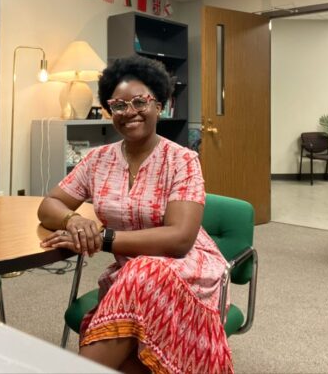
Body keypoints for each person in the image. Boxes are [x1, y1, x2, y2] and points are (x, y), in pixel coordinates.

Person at [38, 55, 233, 374]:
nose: (129, 112)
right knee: (132, 348)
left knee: (144, 273)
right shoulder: (97, 159)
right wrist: (74, 220)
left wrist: (102, 239)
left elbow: (180, 240)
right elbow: (49, 205)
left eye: (140, 101)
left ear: (160, 105)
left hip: (187, 270)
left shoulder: (182, 160)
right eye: (118, 105)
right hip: (131, 273)